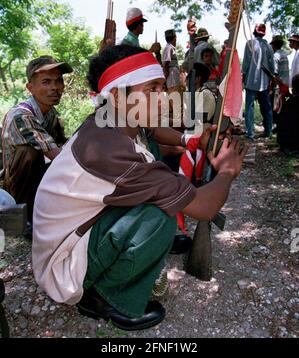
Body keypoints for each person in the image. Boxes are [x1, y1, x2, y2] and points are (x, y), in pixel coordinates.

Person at [32, 45, 247, 331]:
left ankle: (126, 258)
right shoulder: (109, 150)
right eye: (152, 90)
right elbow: (205, 208)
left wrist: (191, 142)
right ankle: (101, 298)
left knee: (159, 182)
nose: (162, 99)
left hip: (72, 237)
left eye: (162, 87)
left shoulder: (107, 120)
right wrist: (228, 171)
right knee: (159, 215)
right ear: (118, 96)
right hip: (62, 265)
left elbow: (153, 131)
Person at [1, 56, 72, 223]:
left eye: (58, 81)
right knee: (30, 152)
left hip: (36, 181)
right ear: (30, 88)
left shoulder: (51, 114)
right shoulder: (22, 116)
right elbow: (59, 157)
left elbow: (63, 145)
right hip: (14, 189)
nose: (55, 88)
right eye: (46, 82)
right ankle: (26, 219)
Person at [242, 23, 274, 140]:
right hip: (264, 81)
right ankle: (268, 131)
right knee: (266, 106)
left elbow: (246, 63)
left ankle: (250, 133)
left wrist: (243, 75)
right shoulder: (268, 47)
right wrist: (271, 79)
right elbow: (271, 66)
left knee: (249, 107)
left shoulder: (250, 43)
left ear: (255, 32)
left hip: (251, 80)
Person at [276, 74, 299, 155]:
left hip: (285, 142)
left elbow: (287, 98)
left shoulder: (288, 99)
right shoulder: (290, 99)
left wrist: (285, 93)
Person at [270, 35, 290, 127]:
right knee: (283, 105)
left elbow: (275, 73)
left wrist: (271, 86)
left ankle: (276, 125)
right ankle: (282, 124)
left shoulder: (276, 56)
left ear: (274, 45)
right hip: (286, 83)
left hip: (279, 85)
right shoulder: (284, 54)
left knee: (276, 105)